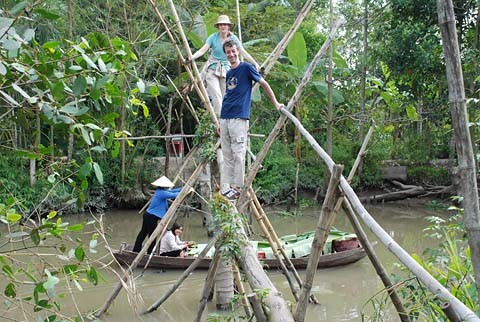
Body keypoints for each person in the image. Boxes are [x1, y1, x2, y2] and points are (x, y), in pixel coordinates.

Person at [219, 40, 284, 200]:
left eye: (233, 51)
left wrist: (275, 103)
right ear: (225, 54)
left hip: (239, 117)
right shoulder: (228, 73)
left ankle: (237, 187)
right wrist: (220, 121)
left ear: (238, 51)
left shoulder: (247, 68)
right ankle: (227, 188)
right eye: (228, 52)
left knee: (238, 153)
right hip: (225, 116)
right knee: (227, 154)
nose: (231, 54)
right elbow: (229, 94)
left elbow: (263, 84)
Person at [185, 14, 260, 116]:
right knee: (216, 96)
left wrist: (254, 63)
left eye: (225, 24)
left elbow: (242, 52)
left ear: (228, 26)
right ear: (218, 26)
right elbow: (203, 50)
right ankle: (219, 121)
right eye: (221, 25)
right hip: (212, 69)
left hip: (226, 71)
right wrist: (191, 58)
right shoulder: (213, 37)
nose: (223, 27)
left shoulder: (233, 39)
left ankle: (224, 119)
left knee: (225, 97)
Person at [132, 176, 191, 254]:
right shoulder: (162, 193)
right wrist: (186, 191)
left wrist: (183, 188)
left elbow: (173, 191)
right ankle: (149, 252)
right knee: (152, 236)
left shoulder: (161, 191)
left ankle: (136, 250)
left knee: (143, 233)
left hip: (148, 215)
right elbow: (175, 195)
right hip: (151, 217)